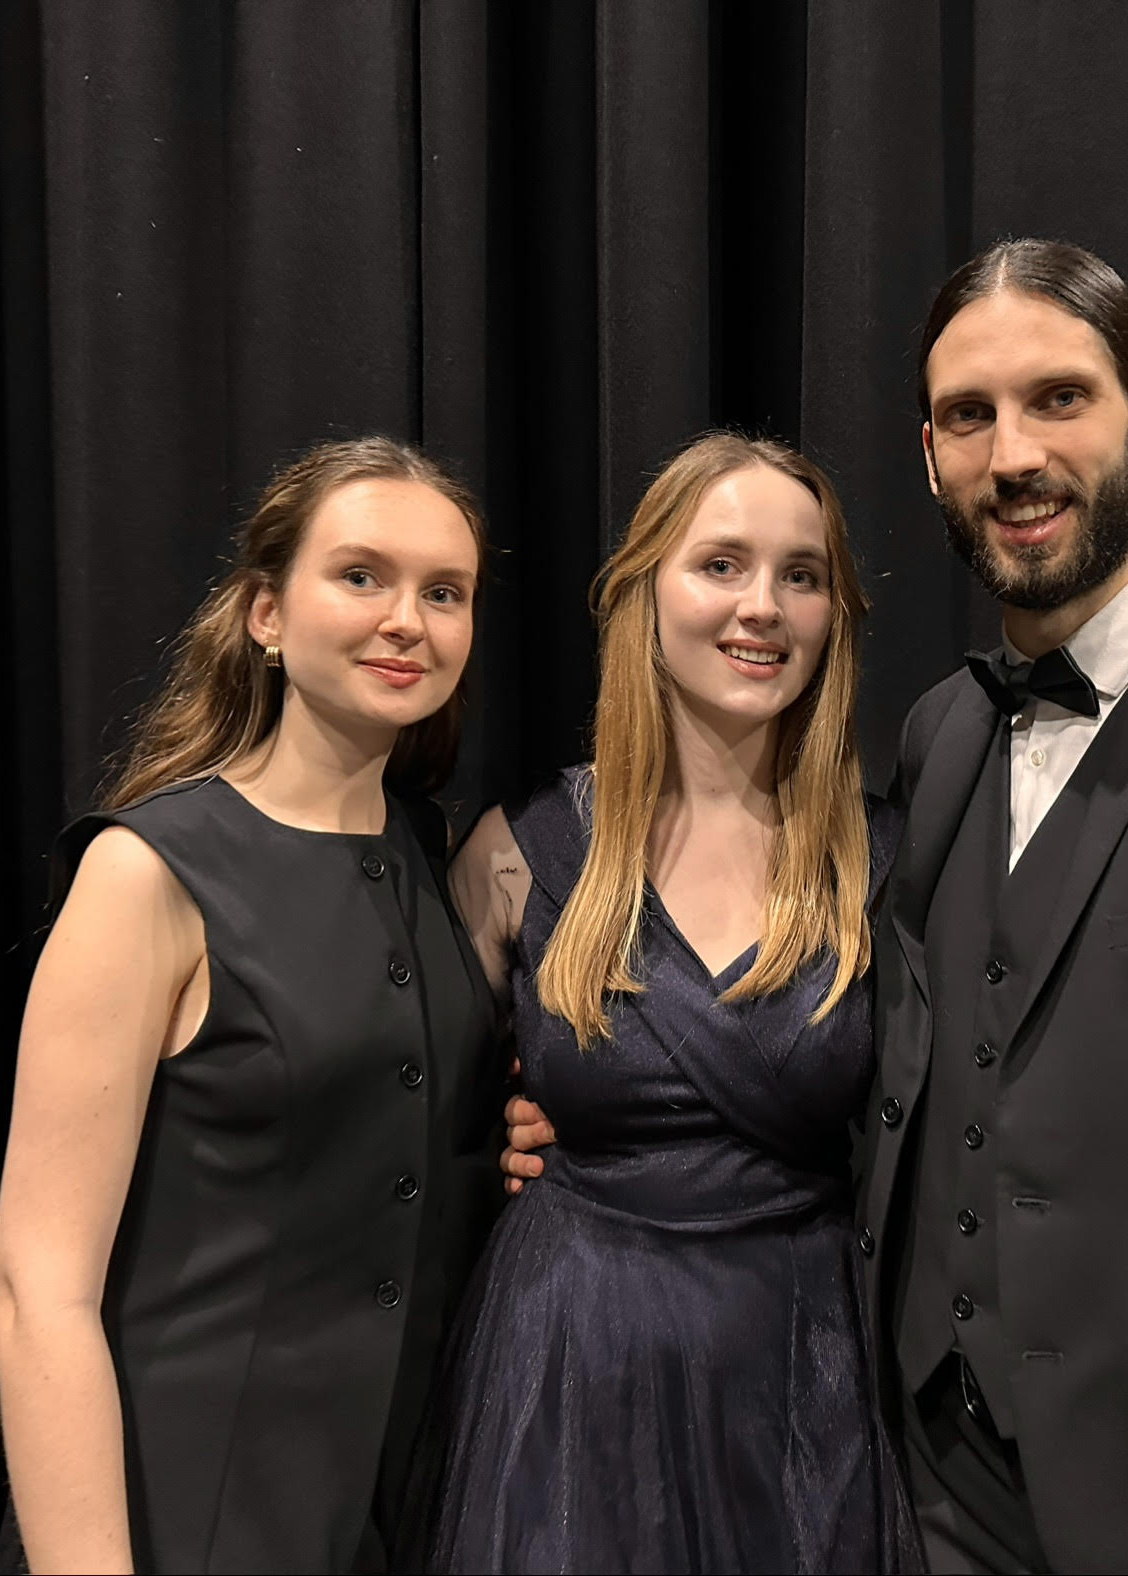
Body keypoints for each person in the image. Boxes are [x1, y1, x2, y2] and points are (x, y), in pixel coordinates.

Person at [509, 241, 1128, 1573]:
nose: (1012, 454)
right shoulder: (942, 736)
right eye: (968, 416)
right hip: (921, 1492)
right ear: (930, 457)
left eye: (1058, 399)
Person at [395, 433, 921, 1573]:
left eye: (801, 574)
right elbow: (410, 1134)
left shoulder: (889, 863)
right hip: (564, 1383)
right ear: (645, 592)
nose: (763, 605)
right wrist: (492, 1151)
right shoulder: (523, 853)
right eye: (721, 564)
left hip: (805, 1391)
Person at [0, 437, 504, 1574]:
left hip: (396, 1515)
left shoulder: (434, 859)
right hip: (184, 1519)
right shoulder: (147, 873)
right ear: (265, 613)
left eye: (445, 592)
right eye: (361, 576)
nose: (407, 620)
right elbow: (40, 1289)